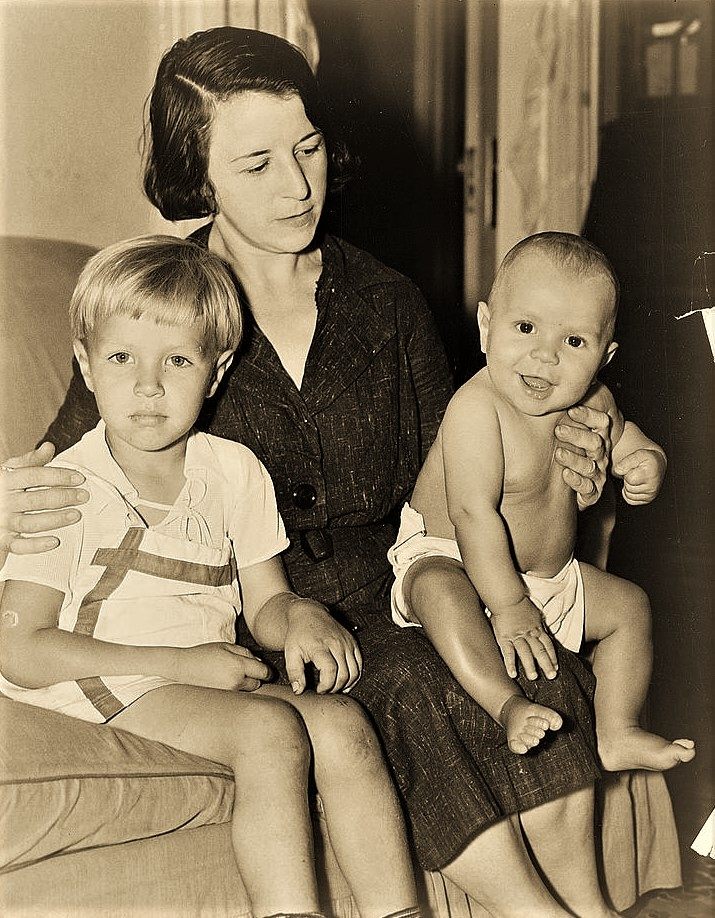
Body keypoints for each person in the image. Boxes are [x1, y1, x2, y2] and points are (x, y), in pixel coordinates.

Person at [0, 27, 666, 917]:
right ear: (198, 176)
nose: (297, 185)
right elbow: (70, 461)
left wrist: (580, 436)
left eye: (307, 148)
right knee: (413, 684)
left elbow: (467, 447)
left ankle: (587, 905)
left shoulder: (383, 299)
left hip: (403, 582)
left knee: (534, 665)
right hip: (258, 618)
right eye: (257, 164)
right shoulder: (170, 311)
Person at [0, 236, 420, 918]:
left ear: (217, 370)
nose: (147, 386)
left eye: (176, 361)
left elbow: (267, 604)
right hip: (96, 681)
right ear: (84, 363)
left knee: (342, 722)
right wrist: (184, 663)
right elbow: (19, 650)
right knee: (269, 733)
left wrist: (302, 617)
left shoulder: (233, 472)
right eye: (120, 358)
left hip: (198, 678)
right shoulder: (67, 488)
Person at [390, 231, 696, 773]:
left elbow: (628, 440)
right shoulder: (477, 409)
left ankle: (617, 729)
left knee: (631, 608)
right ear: (486, 326)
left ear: (606, 355)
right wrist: (508, 605)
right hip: (455, 554)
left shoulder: (594, 400)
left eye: (574, 342)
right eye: (525, 327)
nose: (545, 355)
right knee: (438, 591)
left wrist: (649, 462)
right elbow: (471, 514)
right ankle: (505, 706)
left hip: (549, 576)